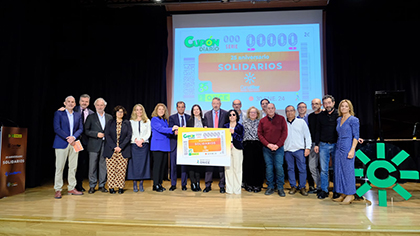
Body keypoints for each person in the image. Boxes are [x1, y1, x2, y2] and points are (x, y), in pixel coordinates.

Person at [53, 96, 84, 199]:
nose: (70, 103)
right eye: (68, 102)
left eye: (72, 102)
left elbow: (80, 128)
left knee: (73, 167)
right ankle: (58, 189)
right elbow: (57, 128)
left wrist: (74, 137)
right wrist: (68, 138)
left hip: (74, 143)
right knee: (60, 167)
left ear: (75, 104)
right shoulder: (59, 113)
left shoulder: (78, 115)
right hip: (62, 143)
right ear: (64, 103)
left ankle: (71, 187)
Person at [257, 103, 288, 197]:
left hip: (279, 148)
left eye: (272, 108)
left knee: (279, 167)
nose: (270, 110)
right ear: (266, 110)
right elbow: (260, 134)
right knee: (269, 168)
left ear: (275, 109)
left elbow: (284, 133)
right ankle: (270, 186)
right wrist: (268, 145)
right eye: (268, 108)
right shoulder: (262, 121)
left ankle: (280, 187)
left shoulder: (281, 119)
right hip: (267, 148)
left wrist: (277, 145)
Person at [333, 99, 359, 205]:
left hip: (348, 147)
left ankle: (350, 194)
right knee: (339, 171)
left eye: (346, 106)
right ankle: (343, 193)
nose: (343, 108)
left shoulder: (353, 120)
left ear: (349, 108)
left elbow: (356, 136)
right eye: (342, 106)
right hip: (338, 147)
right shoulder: (339, 119)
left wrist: (352, 149)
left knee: (348, 172)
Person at [84, 98, 112, 194]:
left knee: (103, 165)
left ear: (105, 106)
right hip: (93, 144)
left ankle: (102, 185)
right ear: (95, 106)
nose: (100, 107)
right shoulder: (91, 117)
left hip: (106, 145)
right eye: (98, 105)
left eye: (102, 105)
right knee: (92, 166)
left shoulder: (109, 117)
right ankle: (92, 185)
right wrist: (96, 134)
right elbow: (86, 130)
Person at [314, 95, 339, 199]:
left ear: (333, 103)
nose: (327, 105)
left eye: (329, 103)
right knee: (324, 169)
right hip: (323, 145)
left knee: (336, 169)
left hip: (336, 145)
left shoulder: (339, 114)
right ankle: (324, 190)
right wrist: (316, 144)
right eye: (325, 103)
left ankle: (336, 190)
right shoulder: (320, 115)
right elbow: (317, 131)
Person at [103, 106, 132, 194]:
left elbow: (129, 136)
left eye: (122, 112)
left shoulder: (127, 123)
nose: (120, 113)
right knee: (111, 169)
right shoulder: (110, 122)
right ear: (115, 113)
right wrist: (114, 147)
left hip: (123, 150)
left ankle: (120, 187)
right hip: (111, 150)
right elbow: (107, 135)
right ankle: (111, 187)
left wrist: (121, 147)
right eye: (118, 112)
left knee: (121, 170)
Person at [284, 105, 311, 196]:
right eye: (287, 111)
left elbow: (307, 136)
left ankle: (302, 187)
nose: (290, 113)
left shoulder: (301, 122)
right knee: (290, 169)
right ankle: (293, 186)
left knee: (302, 169)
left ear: (295, 111)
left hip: (299, 150)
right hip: (287, 150)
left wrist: (308, 147)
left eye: (291, 111)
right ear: (285, 113)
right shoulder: (283, 123)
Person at [150, 103, 179, 192]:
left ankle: (159, 183)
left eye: (163, 109)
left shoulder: (164, 120)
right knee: (157, 167)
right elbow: (161, 129)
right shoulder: (154, 119)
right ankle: (155, 185)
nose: (161, 111)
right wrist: (172, 129)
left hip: (165, 146)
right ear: (156, 111)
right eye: (159, 109)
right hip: (158, 146)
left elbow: (167, 131)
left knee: (162, 167)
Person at [203, 97, 228, 193]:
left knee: (221, 165)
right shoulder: (207, 114)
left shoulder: (225, 114)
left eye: (217, 103)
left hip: (221, 143)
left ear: (220, 104)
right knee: (209, 165)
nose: (216, 105)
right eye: (214, 103)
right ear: (211, 104)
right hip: (210, 143)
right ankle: (208, 185)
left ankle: (222, 185)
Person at [127, 104, 151, 192]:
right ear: (134, 111)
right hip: (134, 145)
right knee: (134, 165)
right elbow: (130, 133)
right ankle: (134, 183)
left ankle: (141, 183)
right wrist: (136, 140)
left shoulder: (147, 121)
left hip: (144, 145)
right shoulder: (131, 121)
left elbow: (148, 133)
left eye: (140, 109)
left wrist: (142, 140)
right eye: (137, 110)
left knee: (143, 165)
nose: (139, 111)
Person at [168, 101, 190, 191]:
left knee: (184, 166)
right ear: (176, 108)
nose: (181, 108)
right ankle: (173, 184)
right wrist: (175, 132)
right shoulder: (172, 118)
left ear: (185, 108)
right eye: (179, 107)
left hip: (185, 145)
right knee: (173, 166)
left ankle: (184, 184)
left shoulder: (189, 118)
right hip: (175, 143)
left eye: (182, 107)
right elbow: (170, 129)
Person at [242, 106, 264, 193]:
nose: (253, 114)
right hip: (247, 145)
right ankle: (249, 184)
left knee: (257, 166)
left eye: (254, 112)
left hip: (257, 145)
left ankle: (257, 185)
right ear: (248, 114)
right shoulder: (244, 123)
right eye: (251, 112)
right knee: (248, 166)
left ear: (257, 114)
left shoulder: (261, 122)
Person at [186, 104, 207, 192]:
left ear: (200, 110)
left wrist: (206, 129)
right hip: (191, 146)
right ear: (192, 111)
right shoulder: (189, 121)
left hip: (201, 147)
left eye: (197, 109)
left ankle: (198, 182)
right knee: (191, 165)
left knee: (198, 166)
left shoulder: (204, 120)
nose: (196, 111)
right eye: (194, 110)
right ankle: (192, 183)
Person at [224, 109, 244, 194]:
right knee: (228, 169)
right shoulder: (225, 126)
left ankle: (237, 189)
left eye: (233, 115)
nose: (232, 116)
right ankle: (229, 188)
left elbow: (241, 138)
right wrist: (228, 143)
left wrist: (234, 133)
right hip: (227, 149)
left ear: (237, 116)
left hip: (237, 149)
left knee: (237, 169)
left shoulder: (240, 126)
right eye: (230, 115)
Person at [307, 98, 322, 194]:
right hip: (312, 144)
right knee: (312, 166)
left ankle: (324, 188)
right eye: (312, 104)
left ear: (320, 105)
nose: (314, 105)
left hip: (323, 143)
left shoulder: (324, 115)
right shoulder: (310, 116)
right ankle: (319, 186)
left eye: (316, 103)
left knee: (324, 168)